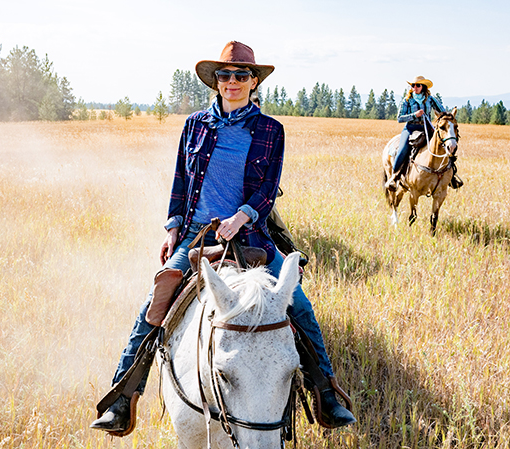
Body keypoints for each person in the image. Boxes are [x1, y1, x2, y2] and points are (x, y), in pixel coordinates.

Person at [90, 41, 356, 433]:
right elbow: (181, 179)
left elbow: (268, 188)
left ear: (253, 82)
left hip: (252, 236)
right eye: (225, 75)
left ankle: (326, 393)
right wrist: (173, 226)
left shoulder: (270, 130)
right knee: (156, 301)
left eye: (241, 75)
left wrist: (242, 215)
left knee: (298, 304)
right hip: (198, 235)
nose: (232, 81)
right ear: (216, 81)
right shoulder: (195, 124)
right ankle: (122, 397)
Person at [385, 76, 448, 191]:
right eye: (413, 85)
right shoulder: (407, 100)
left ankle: (451, 177)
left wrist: (447, 117)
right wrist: (415, 115)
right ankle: (394, 177)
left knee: (444, 146)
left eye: (417, 85)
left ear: (423, 87)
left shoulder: (430, 99)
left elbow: (442, 111)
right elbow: (399, 118)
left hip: (427, 128)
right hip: (410, 129)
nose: (414, 87)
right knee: (403, 149)